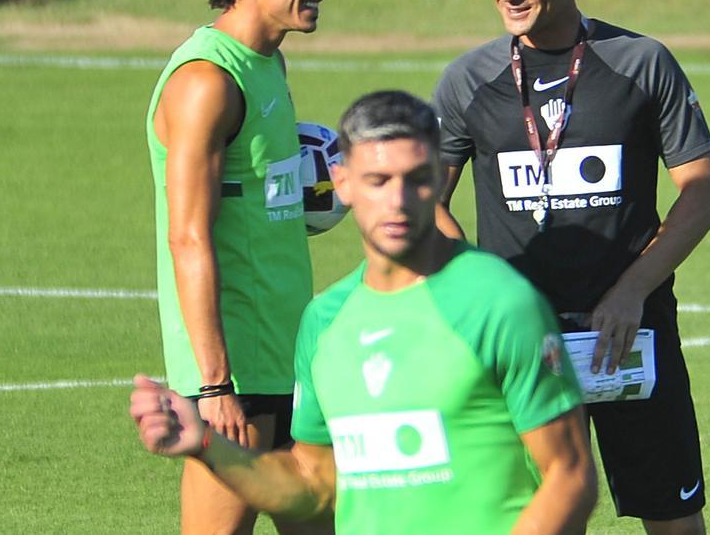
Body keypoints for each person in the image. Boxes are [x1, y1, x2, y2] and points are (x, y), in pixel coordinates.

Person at [131, 91, 598, 534]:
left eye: (416, 180)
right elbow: (312, 484)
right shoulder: (325, 320)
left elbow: (570, 475)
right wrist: (207, 445)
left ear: (438, 178)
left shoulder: (499, 302)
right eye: (378, 181)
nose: (397, 202)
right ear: (342, 184)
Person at [432, 0, 710, 535]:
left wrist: (630, 292)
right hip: (520, 345)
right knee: (536, 519)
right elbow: (425, 201)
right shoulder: (467, 81)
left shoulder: (641, 63)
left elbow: (702, 193)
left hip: (628, 334)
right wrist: (485, 292)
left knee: (674, 517)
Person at [145, 0, 336, 534]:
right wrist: (214, 383)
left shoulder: (268, 62)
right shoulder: (206, 81)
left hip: (289, 348)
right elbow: (188, 237)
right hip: (237, 370)